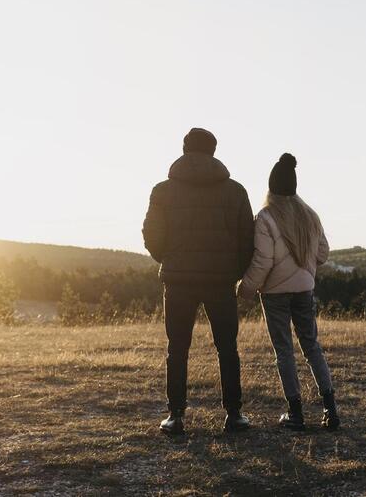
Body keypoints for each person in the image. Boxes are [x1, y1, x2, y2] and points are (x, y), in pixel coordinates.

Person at [142, 128, 254, 435]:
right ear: (214, 151)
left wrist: (169, 259)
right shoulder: (235, 191)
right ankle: (234, 414)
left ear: (184, 149)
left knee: (177, 347)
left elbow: (151, 234)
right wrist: (235, 270)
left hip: (178, 280)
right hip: (221, 280)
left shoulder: (162, 190)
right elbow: (248, 238)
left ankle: (175, 416)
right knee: (227, 347)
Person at [238, 153, 341, 431]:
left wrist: (246, 288)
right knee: (312, 346)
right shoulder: (309, 215)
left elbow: (263, 260)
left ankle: (295, 413)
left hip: (275, 294)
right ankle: (331, 409)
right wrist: (305, 267)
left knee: (284, 350)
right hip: (304, 290)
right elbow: (323, 253)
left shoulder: (266, 216)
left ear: (271, 187)